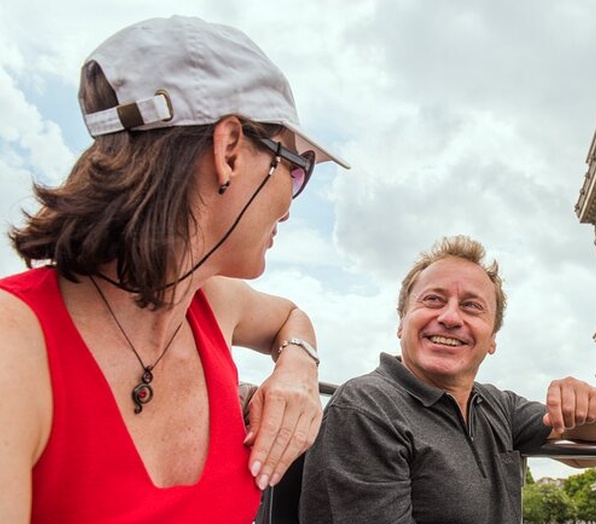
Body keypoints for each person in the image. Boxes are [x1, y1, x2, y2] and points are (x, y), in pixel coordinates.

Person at [0, 16, 349, 523]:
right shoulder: (16, 347)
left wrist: (298, 367)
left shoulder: (210, 302)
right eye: (294, 169)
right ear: (228, 150)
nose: (292, 205)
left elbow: (290, 317)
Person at [299, 235, 596, 524]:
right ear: (401, 324)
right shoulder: (365, 407)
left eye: (471, 306)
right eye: (433, 300)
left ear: (492, 339)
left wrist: (590, 407)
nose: (450, 318)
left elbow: (586, 453)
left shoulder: (499, 406)